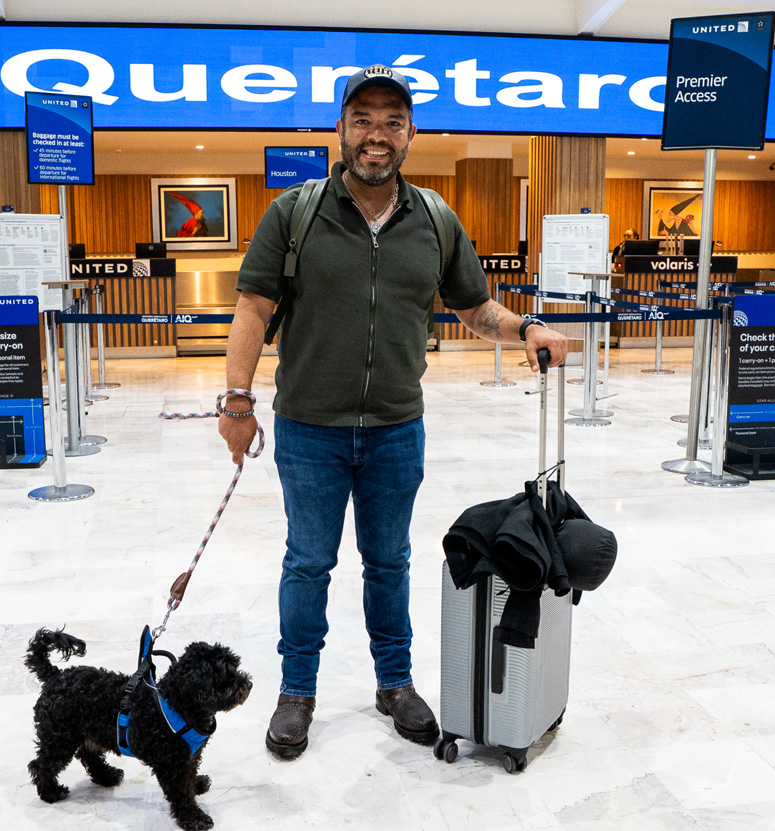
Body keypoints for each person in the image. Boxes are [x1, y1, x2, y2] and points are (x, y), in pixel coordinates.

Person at [219, 65, 569, 762]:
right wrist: (236, 399)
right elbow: (254, 307)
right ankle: (297, 689)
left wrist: (525, 326)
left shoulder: (434, 219)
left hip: (396, 431)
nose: (376, 135)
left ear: (410, 133)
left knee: (389, 562)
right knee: (308, 562)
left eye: (391, 121)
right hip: (309, 428)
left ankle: (395, 682)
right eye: (363, 119)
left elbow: (474, 308)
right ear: (340, 129)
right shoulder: (295, 212)